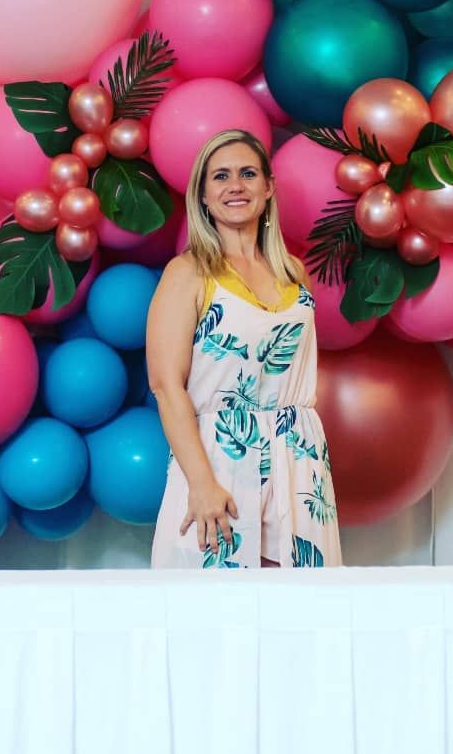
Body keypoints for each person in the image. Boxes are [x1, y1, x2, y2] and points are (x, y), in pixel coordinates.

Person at [147, 129, 342, 569]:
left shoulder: (293, 272)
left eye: (248, 174)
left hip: (297, 454)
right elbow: (165, 385)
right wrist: (201, 483)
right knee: (218, 600)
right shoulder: (187, 273)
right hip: (220, 456)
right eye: (220, 176)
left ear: (268, 187)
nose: (235, 185)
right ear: (203, 195)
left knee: (301, 597)